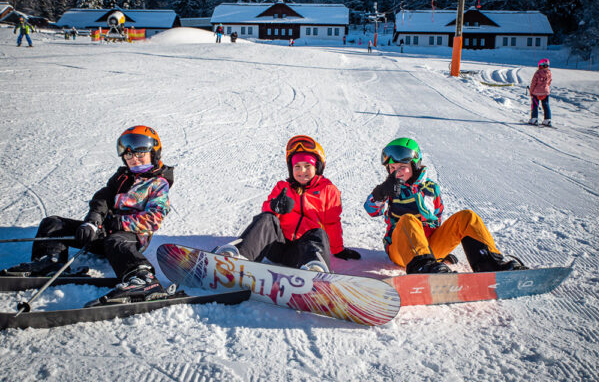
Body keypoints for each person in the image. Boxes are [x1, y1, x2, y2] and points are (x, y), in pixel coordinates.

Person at [1, 126, 174, 305]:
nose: (134, 159)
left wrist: (117, 223)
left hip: (131, 237)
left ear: (154, 152)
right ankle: (50, 261)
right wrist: (93, 221)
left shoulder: (158, 183)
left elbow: (154, 218)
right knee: (53, 223)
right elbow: (103, 198)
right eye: (128, 155)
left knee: (115, 241)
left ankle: (143, 279)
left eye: (140, 153)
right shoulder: (121, 177)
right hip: (104, 230)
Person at [364, 138, 528, 274]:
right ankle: (422, 268)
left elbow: (437, 220)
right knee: (408, 219)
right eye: (392, 168)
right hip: (400, 250)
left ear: (414, 166)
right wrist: (381, 193)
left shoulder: (431, 188)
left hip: (428, 249)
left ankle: (490, 265)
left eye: (402, 167)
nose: (396, 172)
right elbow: (371, 210)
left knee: (467, 217)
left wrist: (440, 251)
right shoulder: (390, 189)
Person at [216, 135, 360, 273]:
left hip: (302, 253)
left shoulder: (328, 190)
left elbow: (332, 223)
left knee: (319, 232)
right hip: (276, 247)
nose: (301, 171)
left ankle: (315, 270)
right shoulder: (283, 187)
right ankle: (237, 257)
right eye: (296, 166)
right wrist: (274, 207)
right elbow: (266, 216)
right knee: (267, 218)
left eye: (307, 165)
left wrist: (338, 249)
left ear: (318, 167)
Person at [528, 58, 552, 126]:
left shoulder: (537, 73)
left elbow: (533, 83)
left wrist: (531, 91)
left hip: (536, 92)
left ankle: (534, 119)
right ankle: (547, 119)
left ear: (540, 65)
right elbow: (549, 82)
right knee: (546, 105)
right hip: (546, 92)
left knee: (535, 105)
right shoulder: (549, 73)